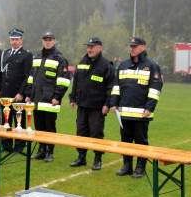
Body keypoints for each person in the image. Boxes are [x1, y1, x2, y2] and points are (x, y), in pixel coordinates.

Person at [110, 37, 163, 178]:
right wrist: (114, 103)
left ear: (143, 47)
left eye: (135, 46)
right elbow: (116, 86)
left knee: (140, 141)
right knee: (125, 141)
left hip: (142, 113)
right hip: (124, 112)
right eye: (131, 46)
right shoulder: (123, 65)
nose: (132, 49)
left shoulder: (152, 66)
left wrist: (150, 107)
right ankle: (127, 166)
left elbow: (155, 88)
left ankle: (140, 168)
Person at [69, 37, 115, 170]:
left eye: (92, 47)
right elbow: (76, 82)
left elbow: (111, 87)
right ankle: (81, 157)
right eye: (88, 46)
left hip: (97, 107)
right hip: (82, 105)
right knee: (81, 132)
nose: (89, 49)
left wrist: (108, 104)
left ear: (100, 48)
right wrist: (73, 98)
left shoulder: (106, 65)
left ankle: (97, 159)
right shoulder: (82, 62)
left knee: (96, 133)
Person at [25, 32, 70, 162]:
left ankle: (50, 152)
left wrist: (57, 97)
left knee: (49, 127)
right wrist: (28, 94)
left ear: (54, 41)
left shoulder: (60, 59)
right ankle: (41, 149)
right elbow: (31, 77)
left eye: (50, 40)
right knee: (39, 126)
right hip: (36, 99)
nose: (47, 42)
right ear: (42, 41)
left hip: (51, 100)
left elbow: (64, 80)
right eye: (45, 39)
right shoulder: (37, 57)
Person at [0, 27, 33, 152]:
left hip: (17, 93)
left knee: (19, 120)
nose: (14, 42)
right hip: (5, 92)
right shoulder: (5, 53)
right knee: (6, 119)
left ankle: (19, 145)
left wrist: (21, 92)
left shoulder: (27, 55)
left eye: (16, 39)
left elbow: (27, 76)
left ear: (21, 40)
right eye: (12, 39)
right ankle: (6, 146)